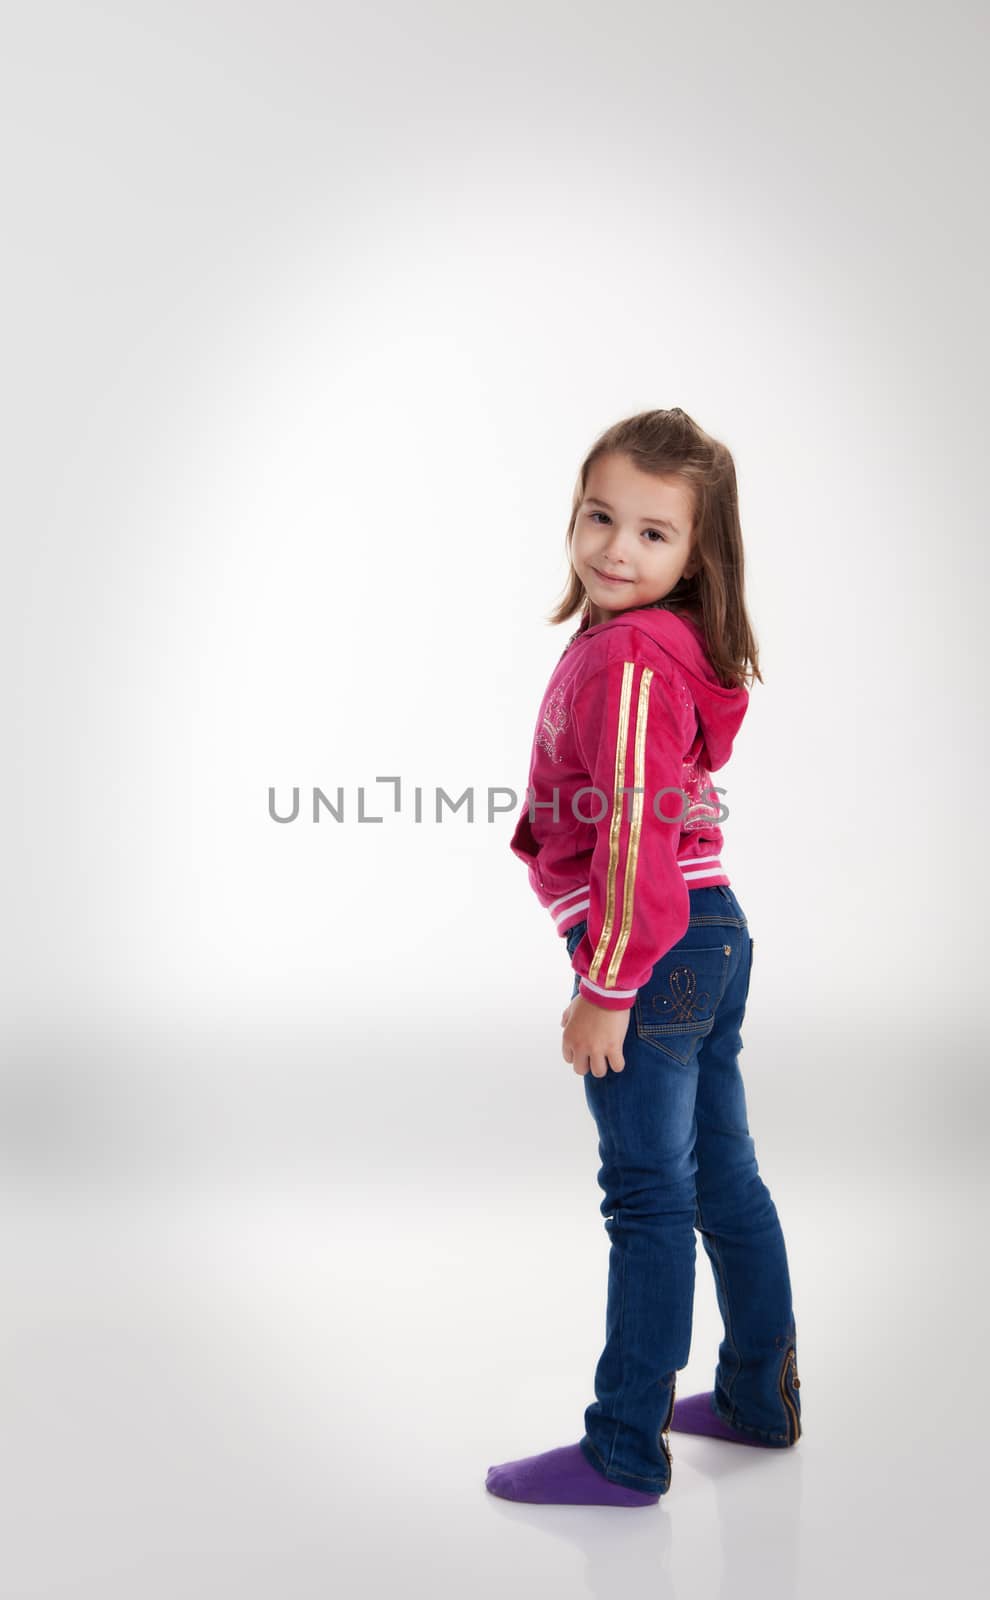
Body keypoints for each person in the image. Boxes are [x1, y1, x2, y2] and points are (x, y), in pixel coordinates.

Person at [485, 408, 801, 1509]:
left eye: (655, 535)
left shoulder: (628, 658)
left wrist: (606, 987)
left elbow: (631, 829)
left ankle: (624, 1443)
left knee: (648, 1196)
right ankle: (758, 1393)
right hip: (711, 929)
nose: (617, 549)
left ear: (699, 556)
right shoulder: (662, 647)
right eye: (600, 516)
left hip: (655, 948)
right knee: (720, 1172)